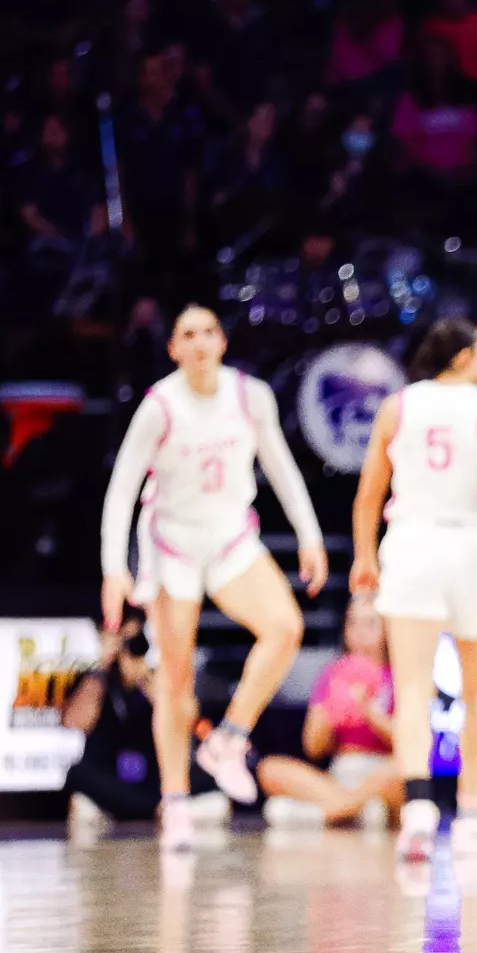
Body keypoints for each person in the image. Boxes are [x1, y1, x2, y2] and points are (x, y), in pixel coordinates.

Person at [99, 305, 328, 851]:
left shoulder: (252, 397)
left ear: (222, 342)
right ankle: (175, 800)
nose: (199, 343)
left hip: (229, 536)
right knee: (175, 680)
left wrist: (310, 534)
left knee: (284, 628)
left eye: (208, 332)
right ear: (174, 349)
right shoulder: (160, 406)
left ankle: (228, 737)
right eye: (187, 335)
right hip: (171, 543)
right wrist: (115, 569)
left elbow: (281, 468)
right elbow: (122, 489)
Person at [350, 318, 477, 860]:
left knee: (412, 688)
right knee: (476, 691)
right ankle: (468, 818)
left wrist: (365, 556)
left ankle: (418, 810)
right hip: (468, 550)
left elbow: (369, 494)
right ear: (462, 356)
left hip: (412, 546)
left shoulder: (398, 407)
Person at [62, 610, 230, 834]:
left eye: (134, 638)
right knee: (79, 778)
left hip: (156, 781)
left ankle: (158, 810)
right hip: (110, 779)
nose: (129, 646)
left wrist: (149, 682)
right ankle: (147, 811)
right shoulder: (92, 679)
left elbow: (191, 721)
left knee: (215, 797)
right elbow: (75, 721)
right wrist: (103, 664)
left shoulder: (161, 677)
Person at [256, 594, 405, 830]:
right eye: (352, 623)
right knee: (270, 768)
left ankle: (325, 812)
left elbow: (412, 744)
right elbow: (314, 748)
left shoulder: (401, 675)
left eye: (369, 624)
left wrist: (370, 712)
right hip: (340, 773)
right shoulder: (333, 675)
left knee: (401, 769)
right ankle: (354, 810)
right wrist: (328, 715)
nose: (360, 632)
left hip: (382, 774)